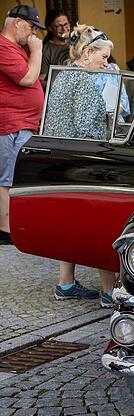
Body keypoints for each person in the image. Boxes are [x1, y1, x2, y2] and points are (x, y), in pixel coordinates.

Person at [43, 24, 118, 305]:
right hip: (81, 163)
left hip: (62, 160)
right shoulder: (84, 83)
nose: (106, 62)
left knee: (69, 223)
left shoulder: (64, 75)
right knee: (100, 224)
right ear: (88, 53)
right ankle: (110, 290)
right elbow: (88, 132)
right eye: (104, 57)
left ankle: (65, 283)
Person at [0, 5, 44, 246]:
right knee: (6, 179)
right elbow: (27, 79)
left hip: (22, 123)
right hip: (9, 124)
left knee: (16, 178)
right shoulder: (2, 46)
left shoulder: (13, 47)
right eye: (31, 26)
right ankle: (5, 232)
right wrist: (36, 50)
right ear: (17, 22)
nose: (32, 34)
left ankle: (12, 226)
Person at [39, 9, 69, 86]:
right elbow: (40, 80)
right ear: (50, 28)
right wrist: (57, 87)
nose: (64, 29)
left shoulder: (76, 42)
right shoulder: (46, 50)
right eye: (59, 26)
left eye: (66, 24)